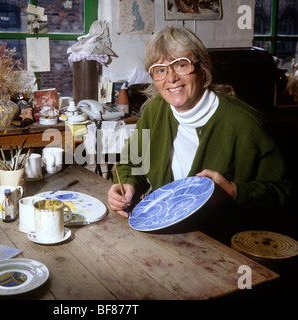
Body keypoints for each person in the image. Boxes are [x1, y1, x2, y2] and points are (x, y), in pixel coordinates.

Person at [108, 26, 292, 221]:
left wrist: (233, 192)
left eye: (181, 65)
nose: (171, 78)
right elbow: (131, 163)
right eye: (160, 70)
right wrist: (127, 185)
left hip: (222, 241)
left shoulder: (246, 123)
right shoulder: (154, 111)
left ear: (202, 69)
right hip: (166, 230)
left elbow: (284, 193)